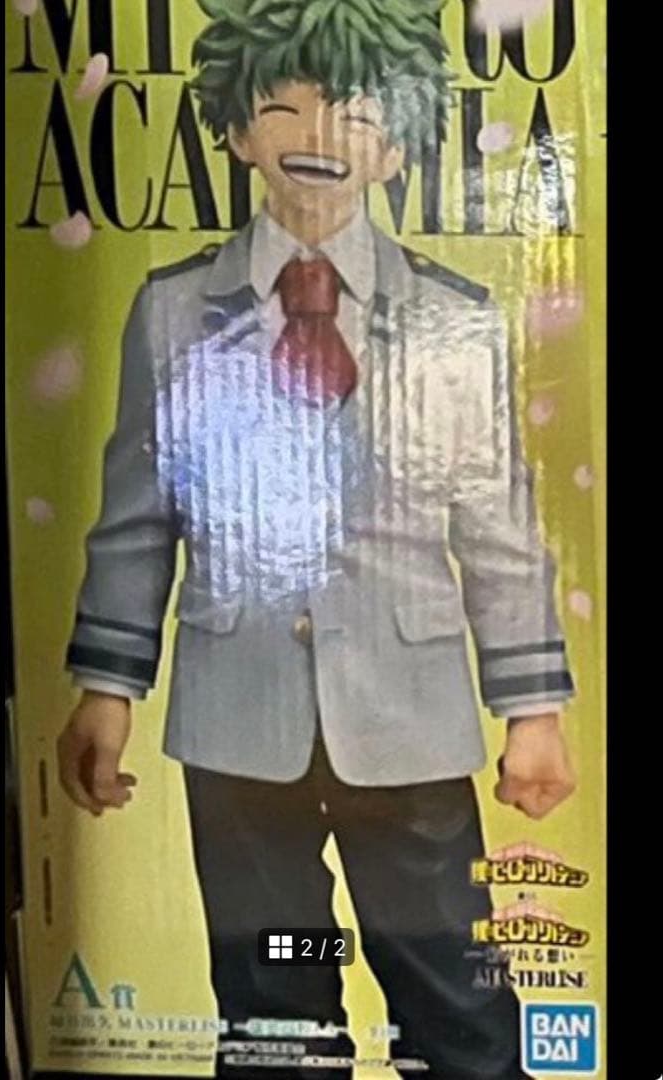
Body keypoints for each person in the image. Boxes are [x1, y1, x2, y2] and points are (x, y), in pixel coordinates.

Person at [58, 1, 577, 1077]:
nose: (318, 134)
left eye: (355, 114)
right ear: (236, 130)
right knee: (274, 1008)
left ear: (394, 148)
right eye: (283, 106)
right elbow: (138, 516)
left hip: (409, 725)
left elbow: (496, 524)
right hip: (237, 723)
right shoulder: (173, 312)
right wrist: (106, 687)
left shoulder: (457, 319)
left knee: (455, 1000)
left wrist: (531, 710)